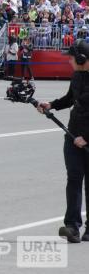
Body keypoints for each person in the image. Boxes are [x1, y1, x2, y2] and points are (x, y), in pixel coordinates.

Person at [37, 40, 89, 243]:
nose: (68, 60)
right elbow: (70, 99)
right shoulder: (77, 76)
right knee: (74, 180)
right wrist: (51, 105)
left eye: (71, 57)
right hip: (72, 135)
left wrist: (87, 138)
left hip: (85, 139)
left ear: (82, 59)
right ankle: (72, 227)